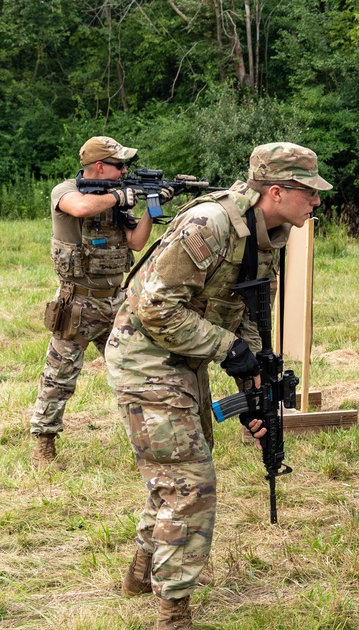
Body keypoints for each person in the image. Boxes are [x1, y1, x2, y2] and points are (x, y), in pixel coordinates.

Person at [104, 142, 330, 630]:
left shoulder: (270, 233)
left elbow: (247, 310)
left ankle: (143, 572)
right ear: (276, 190)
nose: (315, 203)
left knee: (179, 467)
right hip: (145, 356)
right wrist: (228, 350)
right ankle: (173, 612)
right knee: (191, 482)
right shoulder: (210, 224)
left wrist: (254, 387)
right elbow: (155, 309)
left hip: (186, 355)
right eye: (308, 193)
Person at [30, 135, 168, 468]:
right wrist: (119, 196)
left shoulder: (117, 202)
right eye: (119, 166)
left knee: (137, 367)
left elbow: (136, 242)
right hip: (77, 302)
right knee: (60, 376)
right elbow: (80, 208)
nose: (124, 171)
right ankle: (43, 445)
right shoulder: (65, 191)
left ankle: (151, 441)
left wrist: (151, 205)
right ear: (100, 166)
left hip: (116, 302)